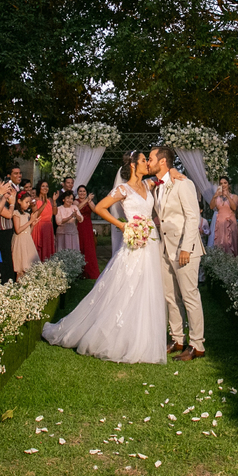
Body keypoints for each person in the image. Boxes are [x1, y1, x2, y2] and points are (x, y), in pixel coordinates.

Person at [42, 151, 167, 364]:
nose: (147, 163)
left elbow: (165, 176)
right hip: (134, 238)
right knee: (127, 284)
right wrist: (122, 225)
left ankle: (141, 333)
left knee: (148, 285)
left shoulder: (148, 185)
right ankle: (111, 333)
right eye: (144, 160)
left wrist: (177, 175)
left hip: (151, 240)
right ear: (134, 165)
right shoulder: (123, 189)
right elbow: (100, 207)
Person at [150, 146, 207, 361]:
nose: (148, 161)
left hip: (185, 250)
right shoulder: (157, 186)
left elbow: (193, 217)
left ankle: (197, 344)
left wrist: (186, 247)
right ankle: (177, 338)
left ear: (163, 161)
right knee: (170, 296)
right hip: (165, 249)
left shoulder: (183, 183)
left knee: (189, 296)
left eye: (151, 158)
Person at [0, 165, 24, 282]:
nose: (19, 175)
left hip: (14, 225)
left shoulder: (19, 189)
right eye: (15, 173)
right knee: (5, 255)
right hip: (3, 226)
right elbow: (7, 211)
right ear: (9, 176)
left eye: (20, 173)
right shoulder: (6, 189)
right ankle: (6, 280)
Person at [12, 190, 43, 275]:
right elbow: (18, 230)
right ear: (19, 201)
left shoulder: (27, 214)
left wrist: (32, 224)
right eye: (26, 202)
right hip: (20, 241)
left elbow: (28, 232)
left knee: (29, 266)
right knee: (21, 268)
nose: (28, 204)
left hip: (27, 240)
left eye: (29, 202)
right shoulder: (16, 213)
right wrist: (30, 222)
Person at [211, 177, 238, 258]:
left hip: (230, 223)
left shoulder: (234, 196)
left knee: (230, 243)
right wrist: (215, 196)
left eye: (225, 183)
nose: (223, 185)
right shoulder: (217, 197)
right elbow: (211, 206)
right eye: (221, 183)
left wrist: (227, 196)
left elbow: (234, 207)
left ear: (228, 184)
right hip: (220, 223)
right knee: (220, 244)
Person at [75, 185, 100, 279]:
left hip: (88, 224)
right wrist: (86, 200)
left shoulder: (89, 200)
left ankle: (90, 270)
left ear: (86, 192)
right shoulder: (75, 201)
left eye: (84, 191)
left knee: (89, 246)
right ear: (77, 193)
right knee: (81, 245)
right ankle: (81, 270)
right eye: (80, 191)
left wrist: (89, 201)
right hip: (79, 224)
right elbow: (77, 209)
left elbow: (95, 210)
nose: (82, 193)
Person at [32, 180, 56, 261]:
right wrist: (44, 204)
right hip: (39, 226)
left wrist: (54, 201)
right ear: (39, 188)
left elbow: (54, 213)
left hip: (48, 227)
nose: (45, 188)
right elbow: (36, 214)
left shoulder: (50, 200)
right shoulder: (35, 200)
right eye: (43, 186)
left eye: (47, 186)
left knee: (48, 249)